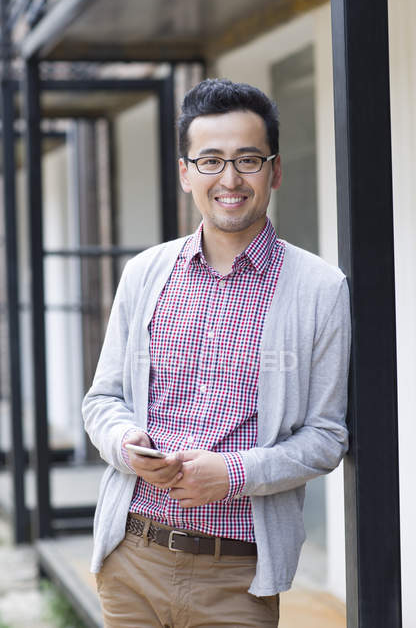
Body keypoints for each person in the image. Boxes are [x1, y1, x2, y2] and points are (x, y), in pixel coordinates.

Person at [82, 78, 351, 628]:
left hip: (236, 577)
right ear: (186, 173)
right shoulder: (144, 274)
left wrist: (233, 473)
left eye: (247, 159)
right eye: (210, 161)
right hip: (130, 559)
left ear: (274, 170)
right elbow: (103, 399)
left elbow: (327, 437)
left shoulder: (320, 289)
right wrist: (125, 442)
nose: (229, 179)